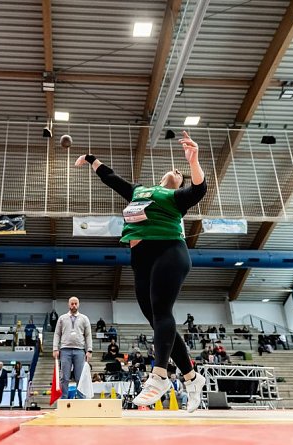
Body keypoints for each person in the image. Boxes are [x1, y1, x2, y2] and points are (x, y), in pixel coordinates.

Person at [75, 130, 207, 412]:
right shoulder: (139, 191)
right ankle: (192, 378)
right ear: (160, 177)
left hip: (169, 251)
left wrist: (193, 162)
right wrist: (91, 158)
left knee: (161, 313)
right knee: (160, 320)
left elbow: (198, 189)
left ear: (177, 184)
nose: (176, 173)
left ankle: (159, 376)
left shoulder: (174, 197)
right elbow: (112, 179)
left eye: (180, 174)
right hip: (140, 258)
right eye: (172, 170)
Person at [52, 297, 93, 400]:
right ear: (68, 304)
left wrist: (89, 350)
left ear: (78, 305)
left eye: (75, 303)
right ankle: (64, 399)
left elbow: (88, 335)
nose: (74, 305)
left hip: (80, 350)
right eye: (72, 304)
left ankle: (81, 399)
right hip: (65, 350)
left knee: (80, 377)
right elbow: (57, 334)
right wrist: (55, 349)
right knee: (64, 377)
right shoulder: (62, 318)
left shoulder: (84, 318)